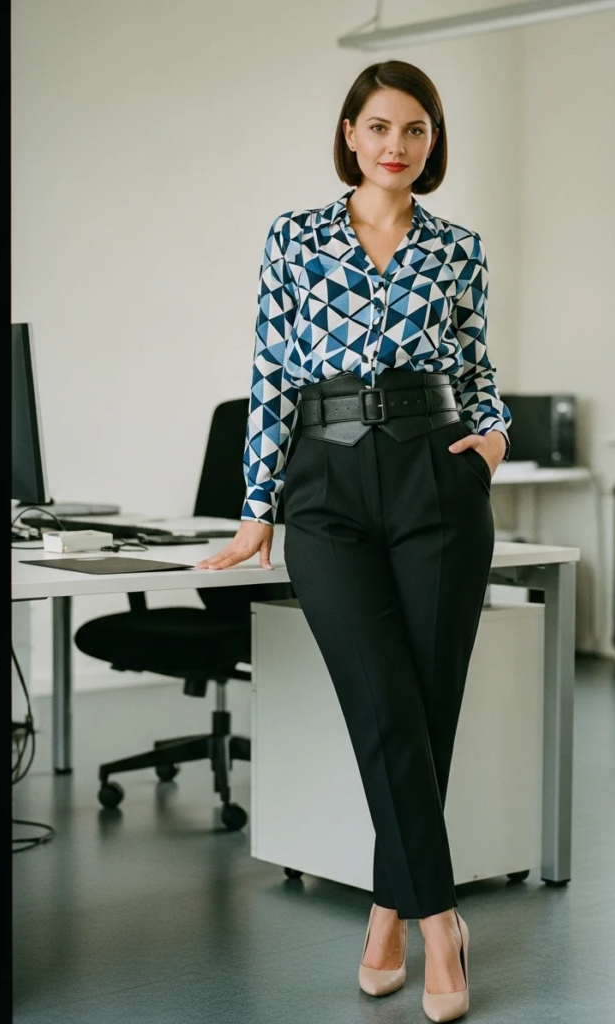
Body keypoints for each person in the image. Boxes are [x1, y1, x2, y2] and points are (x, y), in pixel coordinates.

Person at [198, 59, 511, 1023]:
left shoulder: (458, 249)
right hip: (325, 484)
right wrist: (260, 506)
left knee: (427, 704)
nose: (396, 146)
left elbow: (477, 365)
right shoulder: (294, 240)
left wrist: (492, 439)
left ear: (431, 141)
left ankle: (387, 908)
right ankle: (440, 918)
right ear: (348, 134)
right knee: (383, 705)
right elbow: (271, 376)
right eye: (379, 126)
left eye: (415, 130)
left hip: (433, 472)